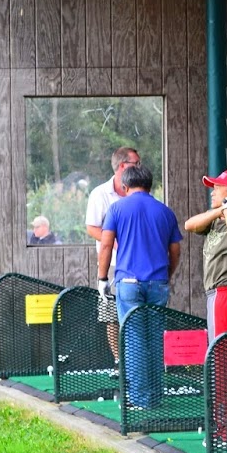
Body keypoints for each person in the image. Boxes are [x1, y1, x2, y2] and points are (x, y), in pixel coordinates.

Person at [98, 162, 183, 410]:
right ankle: (155, 396)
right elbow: (175, 250)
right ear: (149, 185)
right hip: (158, 282)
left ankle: (138, 398)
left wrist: (102, 278)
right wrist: (166, 274)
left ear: (124, 187)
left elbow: (105, 245)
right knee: (155, 338)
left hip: (128, 283)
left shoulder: (117, 209)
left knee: (134, 340)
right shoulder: (165, 211)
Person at [86, 147, 140, 361]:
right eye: (136, 163)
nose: (139, 167)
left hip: (136, 262)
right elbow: (91, 227)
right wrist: (115, 242)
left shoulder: (139, 192)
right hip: (110, 263)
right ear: (122, 166)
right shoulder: (99, 193)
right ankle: (119, 361)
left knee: (135, 311)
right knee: (111, 315)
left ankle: (135, 360)